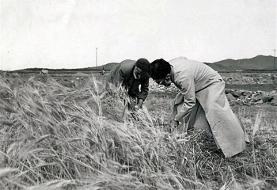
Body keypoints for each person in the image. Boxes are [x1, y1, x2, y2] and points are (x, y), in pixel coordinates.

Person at [149, 57, 249, 157]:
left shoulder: (182, 77)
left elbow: (190, 103)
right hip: (198, 85)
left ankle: (234, 146)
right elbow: (183, 58)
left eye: (159, 82)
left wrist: (176, 119)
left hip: (212, 83)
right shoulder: (168, 67)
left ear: (167, 76)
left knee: (215, 111)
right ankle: (183, 137)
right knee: (179, 104)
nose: (159, 84)